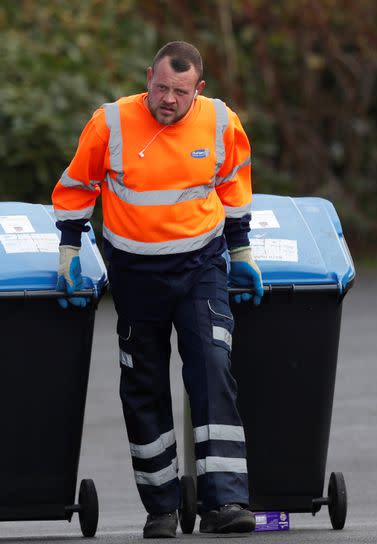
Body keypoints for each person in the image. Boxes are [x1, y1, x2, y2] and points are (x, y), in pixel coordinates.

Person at [51, 41, 263, 538]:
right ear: (149, 77)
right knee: (143, 384)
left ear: (199, 90)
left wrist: (242, 252)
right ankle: (163, 507)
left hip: (201, 267)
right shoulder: (111, 123)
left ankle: (225, 503)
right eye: (162, 87)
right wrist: (69, 252)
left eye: (180, 91)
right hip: (134, 272)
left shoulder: (219, 122)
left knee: (212, 366)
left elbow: (233, 183)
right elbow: (78, 185)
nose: (169, 99)